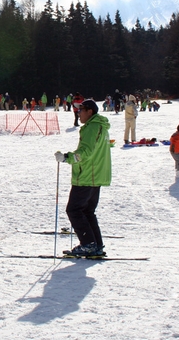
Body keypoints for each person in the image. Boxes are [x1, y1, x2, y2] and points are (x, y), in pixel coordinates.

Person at [54, 99, 111, 257]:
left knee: (74, 210)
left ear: (90, 111)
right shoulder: (100, 126)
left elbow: (86, 152)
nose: (79, 113)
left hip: (87, 175)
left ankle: (88, 244)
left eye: (82, 110)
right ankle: (96, 244)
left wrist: (67, 158)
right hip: (95, 175)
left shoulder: (92, 127)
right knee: (87, 211)